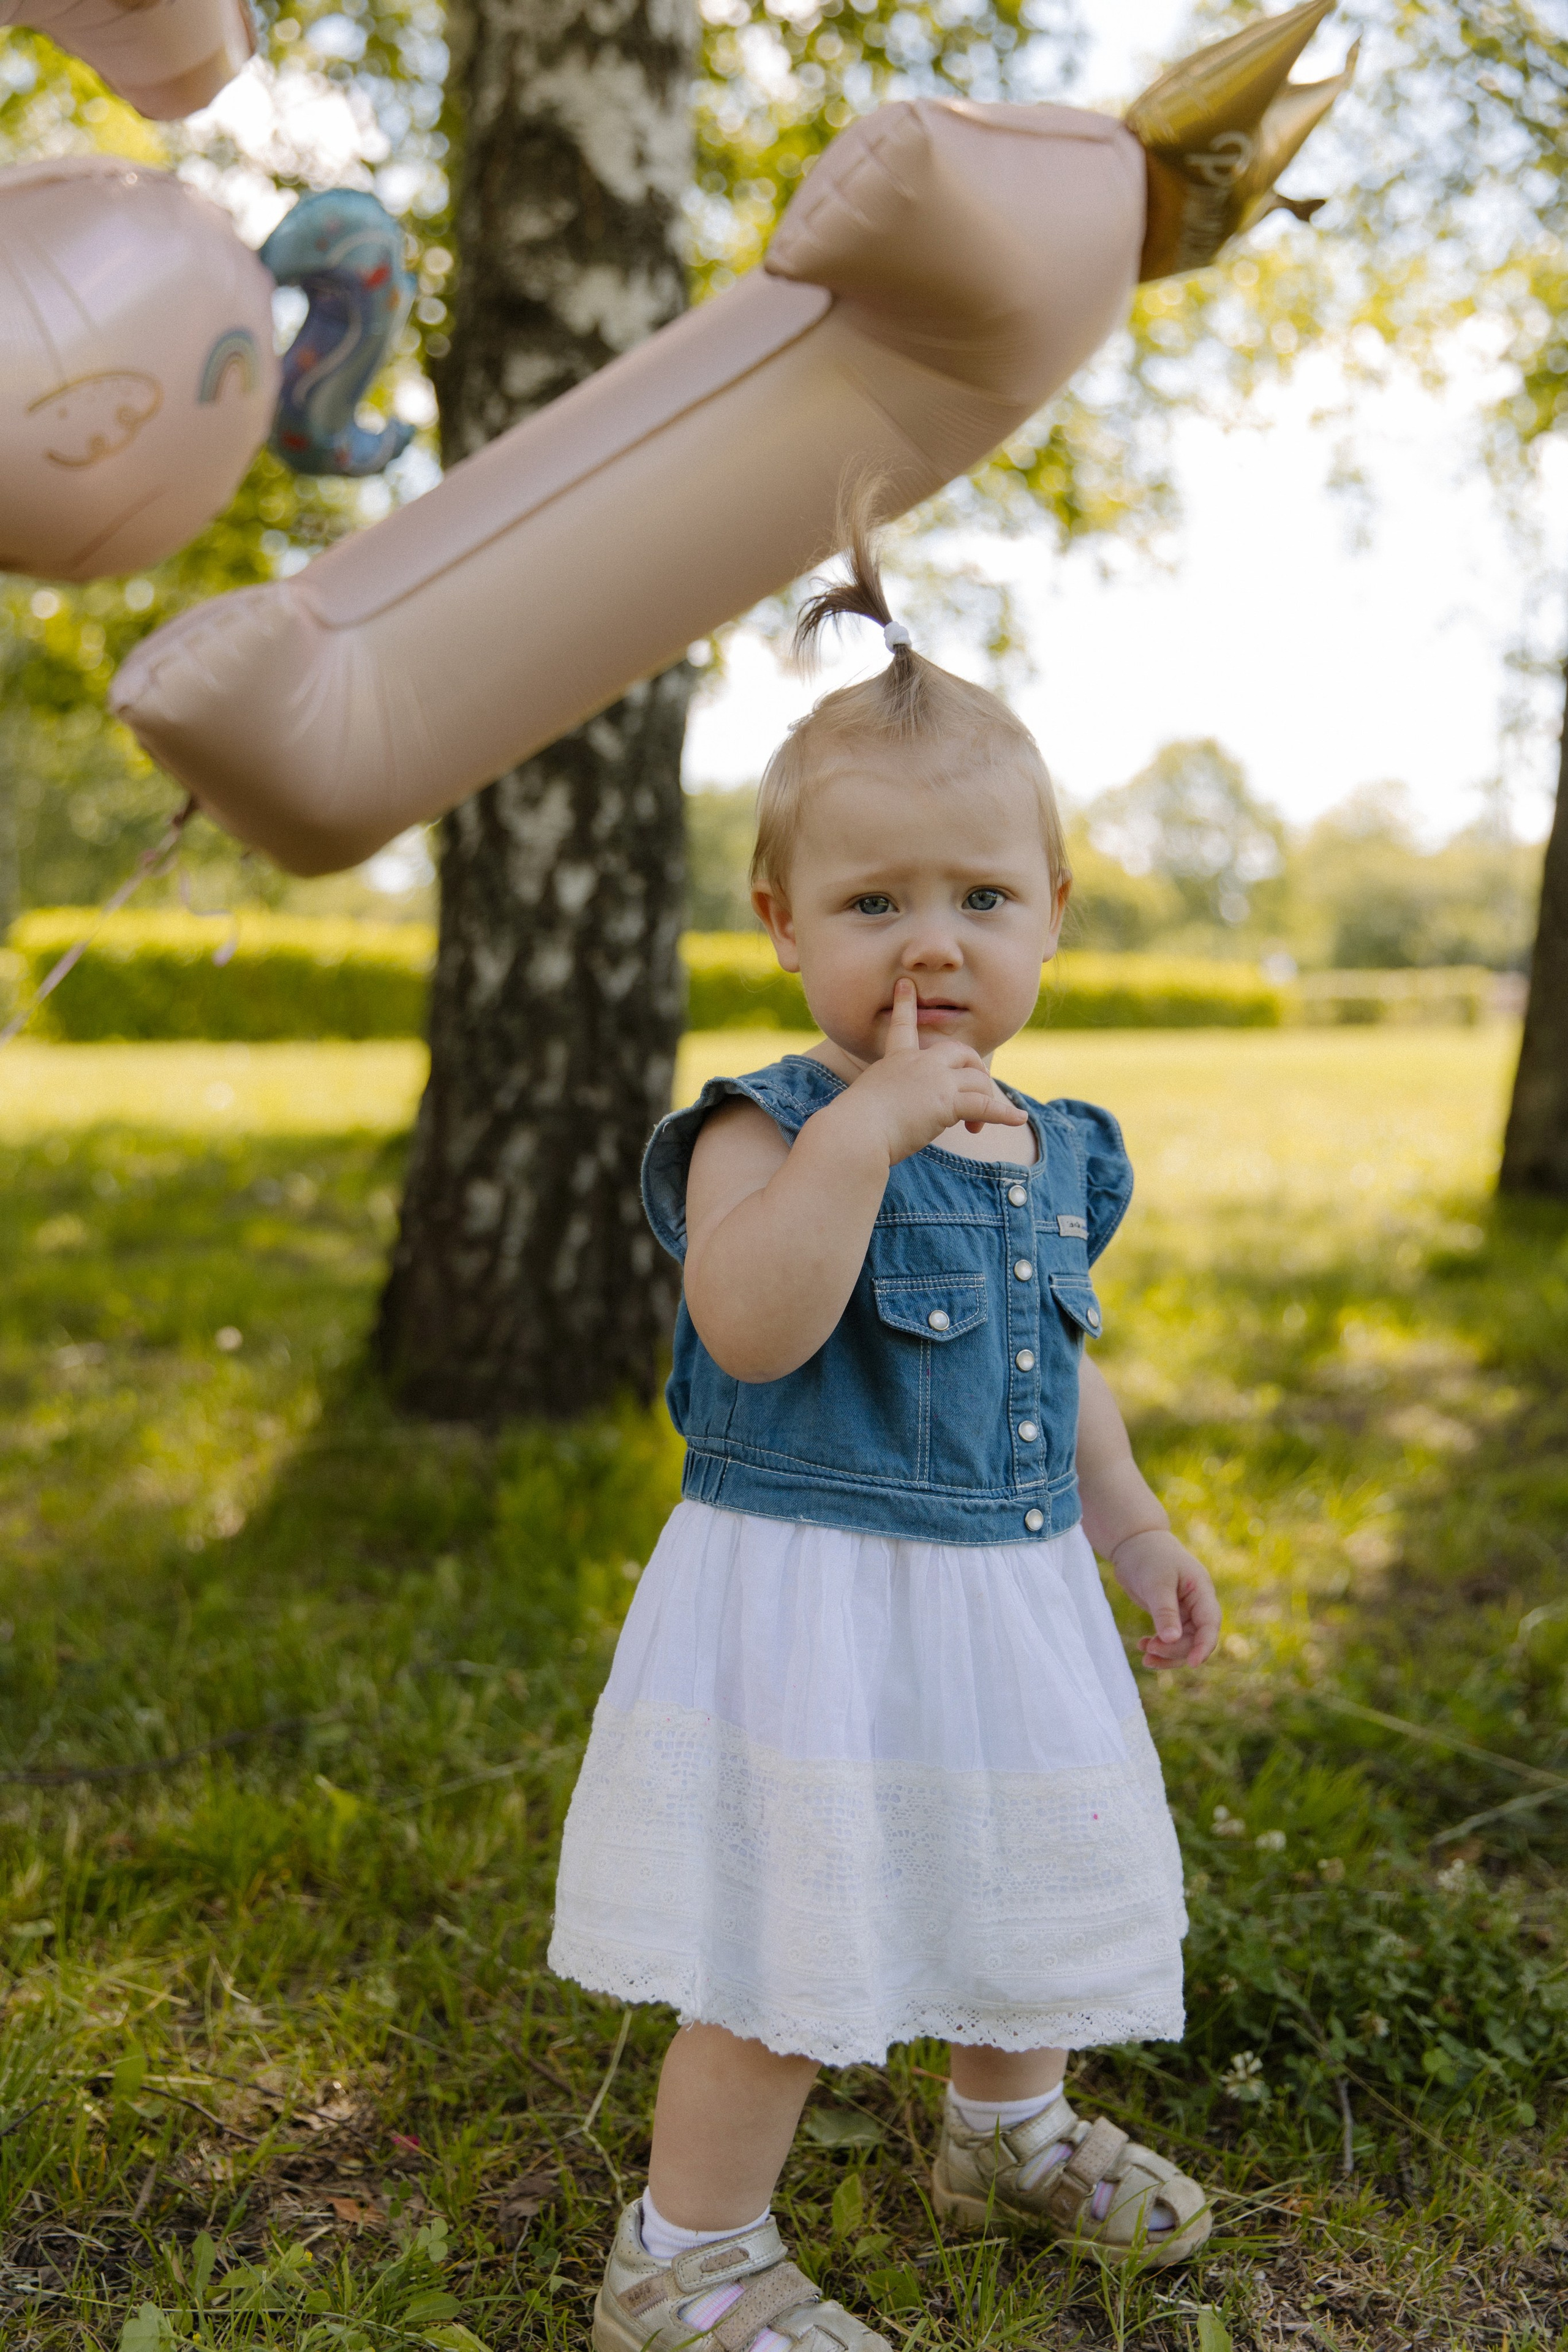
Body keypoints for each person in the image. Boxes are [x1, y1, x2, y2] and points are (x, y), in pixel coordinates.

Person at [548, 495, 1224, 2352]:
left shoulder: (1059, 1145)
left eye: (982, 901)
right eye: (873, 905)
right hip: (817, 1613)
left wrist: (1136, 1521)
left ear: (1055, 915)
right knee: (788, 1938)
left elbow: (1060, 1359)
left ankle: (1006, 2131)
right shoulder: (772, 1120)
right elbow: (751, 1333)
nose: (932, 950)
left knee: (1028, 1870)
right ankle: (686, 2259)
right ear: (780, 920)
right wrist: (860, 1132)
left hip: (1002, 1598)